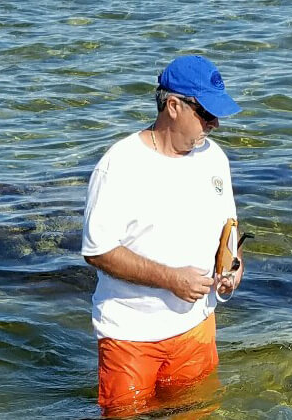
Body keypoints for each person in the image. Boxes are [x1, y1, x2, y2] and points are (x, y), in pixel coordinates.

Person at [79, 55, 245, 417]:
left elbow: (228, 230)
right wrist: (171, 279)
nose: (214, 124)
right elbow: (97, 251)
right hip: (130, 336)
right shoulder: (119, 166)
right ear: (173, 105)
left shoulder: (214, 158)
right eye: (205, 114)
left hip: (197, 329)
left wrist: (234, 268)